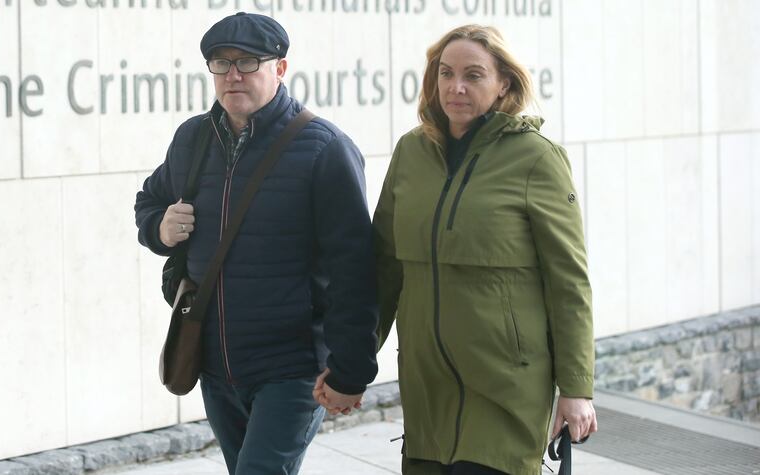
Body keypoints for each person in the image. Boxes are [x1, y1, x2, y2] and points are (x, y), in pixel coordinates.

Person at [134, 12, 378, 475]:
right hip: (214, 365)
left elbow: (355, 269)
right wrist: (159, 229)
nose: (233, 75)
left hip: (292, 368)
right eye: (221, 64)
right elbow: (149, 201)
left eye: (248, 62)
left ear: (280, 69)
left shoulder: (323, 148)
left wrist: (351, 369)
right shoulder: (192, 139)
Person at [373, 24, 598, 475]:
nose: (455, 87)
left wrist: (576, 388)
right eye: (446, 73)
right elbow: (382, 268)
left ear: (504, 86)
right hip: (426, 387)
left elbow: (568, 281)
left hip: (505, 386)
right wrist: (353, 363)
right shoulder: (410, 152)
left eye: (473, 75)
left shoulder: (536, 158)